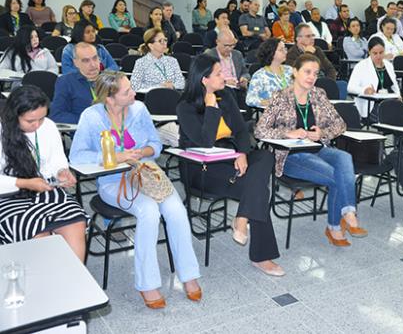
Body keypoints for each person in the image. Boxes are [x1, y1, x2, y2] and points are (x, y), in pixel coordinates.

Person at [69, 71, 202, 308]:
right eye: (127, 91)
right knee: (149, 211)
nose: (133, 93)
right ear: (110, 98)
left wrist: (143, 152)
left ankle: (189, 274)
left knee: (176, 210)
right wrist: (115, 156)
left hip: (146, 174)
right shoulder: (91, 117)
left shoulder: (139, 109)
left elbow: (155, 143)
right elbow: (77, 156)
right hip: (112, 180)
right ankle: (147, 283)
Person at [177, 55, 283, 275]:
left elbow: (242, 130)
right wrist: (210, 107)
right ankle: (261, 256)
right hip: (202, 167)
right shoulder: (185, 107)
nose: (224, 76)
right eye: (218, 73)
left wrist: (242, 153)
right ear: (204, 80)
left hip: (231, 157)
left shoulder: (226, 96)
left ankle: (242, 217)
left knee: (265, 157)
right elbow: (204, 141)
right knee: (257, 189)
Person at [255, 54, 367, 246]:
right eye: (307, 72)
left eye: (315, 73)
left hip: (318, 148)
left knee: (344, 157)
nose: (311, 77)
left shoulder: (319, 94)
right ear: (295, 72)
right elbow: (259, 130)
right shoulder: (281, 97)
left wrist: (322, 132)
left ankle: (347, 212)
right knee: (336, 176)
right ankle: (335, 226)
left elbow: (340, 125)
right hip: (291, 155)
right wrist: (288, 133)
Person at [0, 86, 87, 259]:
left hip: (44, 188)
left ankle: (73, 278)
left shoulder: (48, 126)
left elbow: (57, 160)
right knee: (34, 229)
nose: (37, 125)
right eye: (30, 121)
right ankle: (45, 281)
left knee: (76, 221)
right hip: (8, 194)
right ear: (14, 115)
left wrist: (62, 171)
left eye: (41, 118)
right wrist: (25, 183)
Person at [347, 37, 401, 119]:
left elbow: (395, 85)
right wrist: (364, 90)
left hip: (391, 101)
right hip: (372, 105)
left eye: (381, 52)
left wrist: (399, 96)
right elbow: (350, 87)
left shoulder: (389, 65)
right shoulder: (361, 66)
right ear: (369, 52)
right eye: (375, 53)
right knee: (395, 117)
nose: (378, 56)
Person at [50, 43, 102, 123]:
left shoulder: (111, 80)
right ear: (76, 63)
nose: (93, 64)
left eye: (95, 58)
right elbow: (57, 115)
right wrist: (88, 121)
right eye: (86, 60)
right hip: (83, 130)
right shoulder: (66, 82)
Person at [246, 38, 293, 108]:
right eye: (281, 50)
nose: (285, 52)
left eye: (285, 49)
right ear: (271, 53)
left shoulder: (289, 70)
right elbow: (250, 99)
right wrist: (265, 102)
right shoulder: (259, 76)